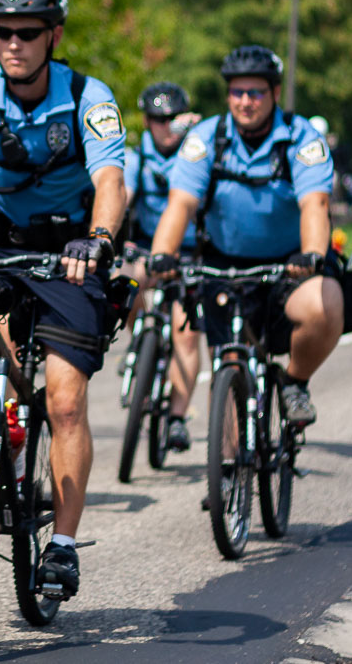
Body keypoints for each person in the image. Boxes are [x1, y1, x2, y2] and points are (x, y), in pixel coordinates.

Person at [0, 0, 126, 601]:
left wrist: (99, 239)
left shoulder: (86, 96)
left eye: (27, 33)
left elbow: (110, 180)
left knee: (67, 402)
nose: (13, 44)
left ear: (54, 34)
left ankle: (64, 546)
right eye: (2, 32)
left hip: (66, 254)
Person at [149, 45, 342, 430]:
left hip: (290, 263)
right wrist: (162, 255)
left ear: (274, 93)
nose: (245, 101)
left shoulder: (301, 138)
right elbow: (181, 204)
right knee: (229, 366)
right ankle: (225, 473)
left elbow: (315, 205)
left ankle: (295, 383)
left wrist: (312, 256)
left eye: (255, 92)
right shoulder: (206, 139)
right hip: (223, 262)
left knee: (325, 307)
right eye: (237, 92)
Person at [122, 81, 201, 453]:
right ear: (146, 120)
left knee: (186, 333)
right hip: (144, 252)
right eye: (156, 118)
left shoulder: (198, 154)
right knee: (124, 282)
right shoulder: (137, 157)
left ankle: (177, 418)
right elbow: (122, 195)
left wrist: (197, 130)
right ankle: (136, 338)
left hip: (187, 256)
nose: (164, 125)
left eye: (171, 118)